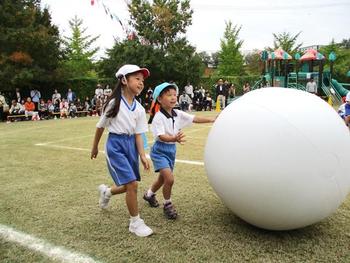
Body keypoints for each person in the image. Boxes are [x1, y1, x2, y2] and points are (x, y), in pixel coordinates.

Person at [91, 64, 153, 237]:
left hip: (131, 146)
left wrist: (142, 155)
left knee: (129, 185)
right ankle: (135, 223)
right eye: (137, 79)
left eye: (142, 80)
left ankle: (107, 192)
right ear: (124, 80)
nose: (141, 83)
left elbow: (139, 134)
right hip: (115, 146)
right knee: (132, 184)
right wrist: (95, 146)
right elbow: (100, 127)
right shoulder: (114, 104)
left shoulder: (140, 109)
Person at [143, 82, 216, 219]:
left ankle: (148, 195)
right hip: (159, 151)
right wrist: (174, 138)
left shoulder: (177, 113)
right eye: (169, 95)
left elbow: (194, 118)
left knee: (162, 179)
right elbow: (161, 136)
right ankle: (167, 204)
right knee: (169, 179)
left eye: (175, 94)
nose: (173, 97)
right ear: (159, 99)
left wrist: (212, 120)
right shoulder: (158, 117)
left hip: (171, 150)